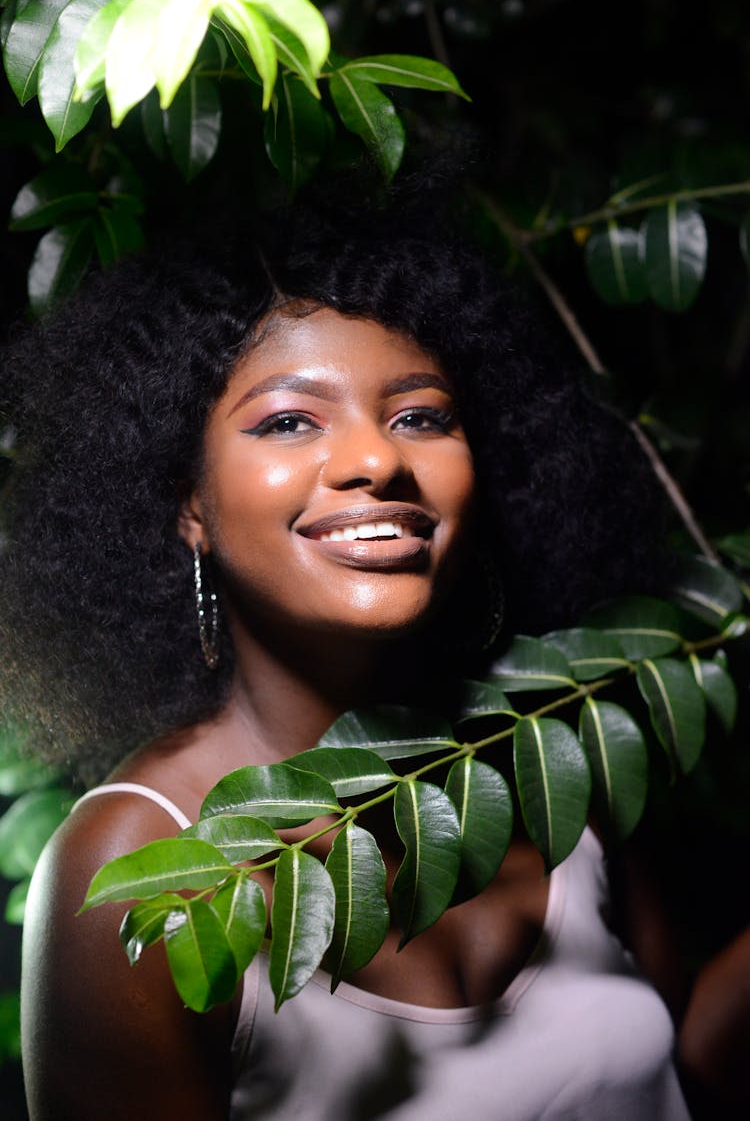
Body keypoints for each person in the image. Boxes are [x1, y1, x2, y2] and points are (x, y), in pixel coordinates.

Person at [2, 203, 689, 1119]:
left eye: (420, 415)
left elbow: (692, 1076)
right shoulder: (139, 863)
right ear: (188, 505)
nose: (376, 458)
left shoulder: (555, 746)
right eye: (288, 422)